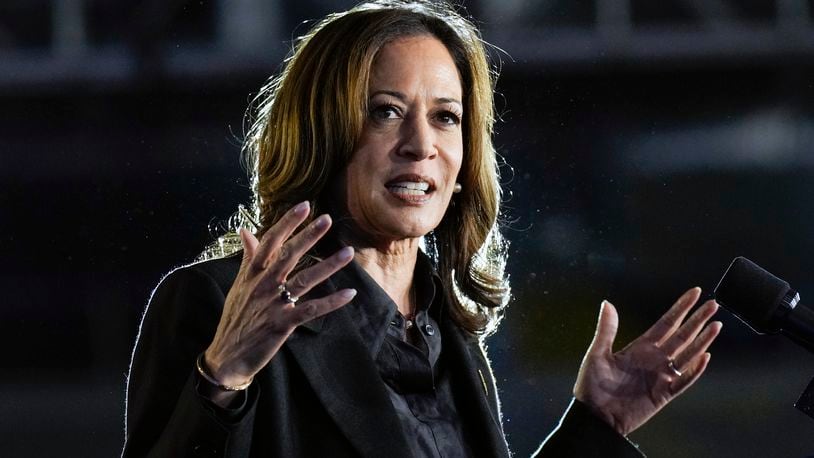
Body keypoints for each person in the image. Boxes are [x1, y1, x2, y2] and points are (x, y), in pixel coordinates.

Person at [122, 1, 722, 457]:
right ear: (321, 134)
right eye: (385, 112)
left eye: (445, 117)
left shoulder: (451, 335)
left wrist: (595, 425)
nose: (420, 146)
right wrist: (222, 379)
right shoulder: (213, 303)